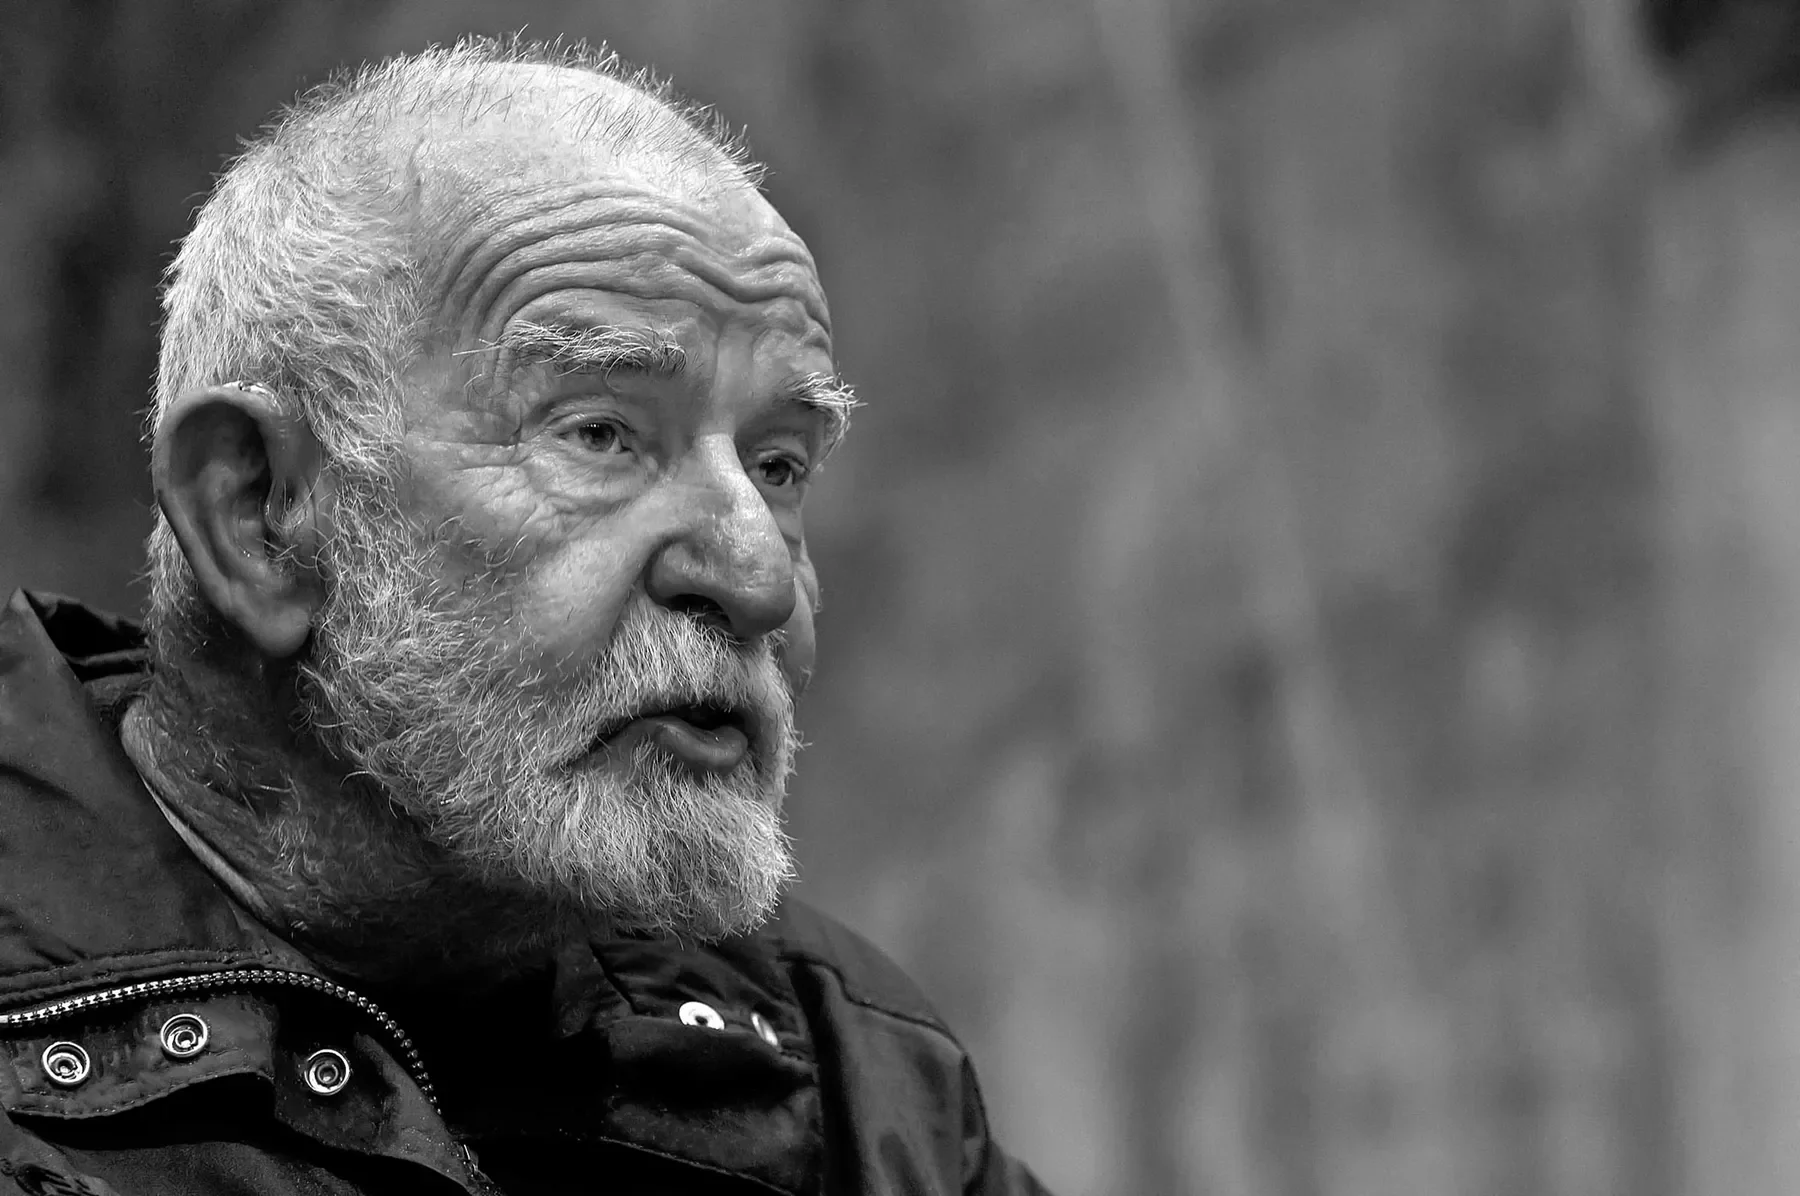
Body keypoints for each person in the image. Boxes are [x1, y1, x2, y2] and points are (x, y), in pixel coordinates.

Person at [0, 38, 1048, 1196]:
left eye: (781, 464)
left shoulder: (853, 1082)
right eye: (600, 433)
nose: (757, 580)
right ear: (260, 514)